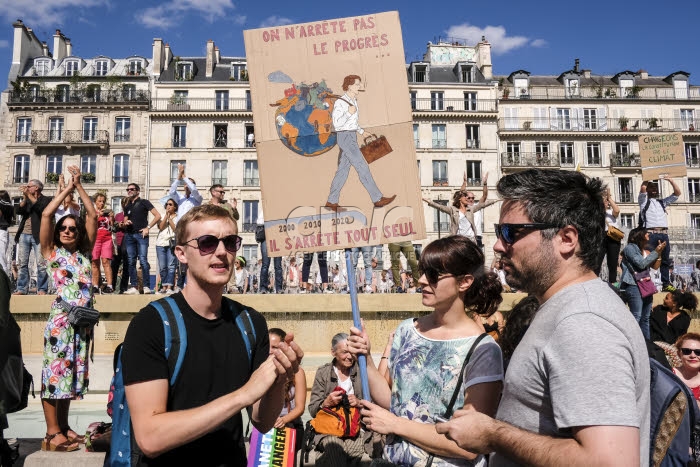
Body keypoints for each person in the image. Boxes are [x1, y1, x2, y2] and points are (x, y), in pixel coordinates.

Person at [436, 169, 651, 466]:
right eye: (499, 231)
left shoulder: (584, 322)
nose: (498, 245)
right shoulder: (567, 308)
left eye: (510, 232)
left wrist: (494, 435)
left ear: (566, 239)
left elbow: (611, 461)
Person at [121, 204, 303, 465]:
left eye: (230, 242)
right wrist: (242, 395)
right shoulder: (152, 323)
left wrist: (278, 380)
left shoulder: (250, 322)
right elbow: (150, 438)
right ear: (181, 253)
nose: (221, 252)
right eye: (207, 243)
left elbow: (262, 422)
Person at [348, 235, 503, 466]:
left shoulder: (483, 350)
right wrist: (366, 358)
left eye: (433, 275)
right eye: (421, 271)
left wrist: (394, 424)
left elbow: (472, 445)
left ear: (464, 282)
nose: (421, 280)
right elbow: (395, 402)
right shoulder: (407, 330)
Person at [39, 166, 97, 452]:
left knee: (69, 377)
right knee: (54, 376)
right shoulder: (51, 253)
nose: (68, 231)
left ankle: (62, 426)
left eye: (72, 228)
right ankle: (51, 434)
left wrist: (79, 185)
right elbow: (47, 215)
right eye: (64, 227)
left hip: (81, 325)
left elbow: (95, 216)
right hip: (61, 323)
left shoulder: (84, 254)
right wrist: (66, 191)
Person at [325, 75, 395, 210]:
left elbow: (352, 124)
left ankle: (331, 201)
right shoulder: (341, 102)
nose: (359, 86)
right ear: (349, 86)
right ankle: (377, 198)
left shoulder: (353, 100)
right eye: (357, 84)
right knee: (362, 167)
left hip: (350, 136)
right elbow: (337, 124)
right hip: (345, 137)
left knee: (342, 171)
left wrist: (362, 132)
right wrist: (348, 113)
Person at [308, 332, 367, 466]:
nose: (349, 357)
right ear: (333, 352)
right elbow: (312, 410)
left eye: (351, 352)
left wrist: (358, 403)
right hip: (329, 429)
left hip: (355, 429)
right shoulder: (323, 373)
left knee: (354, 450)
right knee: (334, 448)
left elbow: (373, 404)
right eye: (344, 352)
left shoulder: (361, 371)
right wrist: (325, 402)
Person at [422, 173, 495, 243]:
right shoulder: (454, 209)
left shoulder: (474, 207)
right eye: (468, 197)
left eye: (473, 198)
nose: (470, 199)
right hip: (460, 238)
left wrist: (485, 184)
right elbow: (441, 206)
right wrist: (464, 182)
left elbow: (484, 199)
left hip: (475, 237)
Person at [621, 227, 666, 339]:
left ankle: (647, 344)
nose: (649, 236)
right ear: (639, 235)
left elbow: (654, 267)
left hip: (645, 284)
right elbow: (641, 264)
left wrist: (659, 253)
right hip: (633, 285)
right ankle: (631, 341)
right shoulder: (630, 248)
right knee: (637, 315)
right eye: (647, 234)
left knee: (645, 317)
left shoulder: (644, 249)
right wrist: (656, 252)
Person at [268, 328, 306, 453]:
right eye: (267, 346)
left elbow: (300, 408)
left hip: (290, 423)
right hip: (267, 424)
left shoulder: (298, 372)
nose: (269, 351)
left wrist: (283, 420)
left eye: (274, 347)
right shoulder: (261, 371)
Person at [639, 178, 680, 291]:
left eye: (655, 187)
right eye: (651, 187)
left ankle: (666, 284)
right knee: (647, 260)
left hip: (663, 234)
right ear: (647, 189)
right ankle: (644, 284)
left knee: (665, 261)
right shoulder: (643, 201)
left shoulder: (662, 202)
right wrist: (648, 176)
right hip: (650, 234)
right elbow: (642, 188)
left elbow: (677, 193)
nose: (654, 189)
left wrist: (671, 180)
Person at [121, 183, 161, 295]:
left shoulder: (144, 202)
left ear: (138, 191)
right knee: (131, 261)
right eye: (128, 189)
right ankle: (134, 287)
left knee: (143, 260)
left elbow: (158, 215)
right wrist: (125, 222)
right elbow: (124, 221)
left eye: (132, 189)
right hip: (129, 235)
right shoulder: (128, 205)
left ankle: (146, 286)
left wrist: (147, 228)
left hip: (141, 235)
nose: (129, 191)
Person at [14, 179, 52, 295]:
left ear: (36, 188)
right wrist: (25, 197)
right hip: (24, 234)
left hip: (39, 235)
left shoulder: (46, 199)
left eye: (29, 186)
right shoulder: (28, 199)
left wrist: (29, 196)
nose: (27, 187)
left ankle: (42, 289)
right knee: (22, 263)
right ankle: (21, 288)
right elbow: (18, 211)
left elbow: (41, 208)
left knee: (41, 264)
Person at [169, 164, 203, 291]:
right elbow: (171, 192)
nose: (187, 185)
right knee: (180, 257)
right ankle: (180, 284)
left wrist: (185, 176)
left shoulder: (197, 199)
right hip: (180, 231)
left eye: (189, 183)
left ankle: (189, 283)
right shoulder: (180, 199)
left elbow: (194, 190)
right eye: (185, 184)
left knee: (191, 256)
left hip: (192, 231)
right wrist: (179, 177)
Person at [596, 187, 622, 283]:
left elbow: (617, 210)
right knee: (597, 261)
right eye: (604, 202)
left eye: (607, 202)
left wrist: (609, 198)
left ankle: (612, 282)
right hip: (601, 236)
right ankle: (595, 281)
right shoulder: (597, 213)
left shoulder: (611, 213)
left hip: (613, 237)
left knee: (612, 262)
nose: (606, 203)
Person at [91, 193, 114, 294]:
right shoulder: (91, 212)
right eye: (99, 201)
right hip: (95, 239)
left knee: (106, 262)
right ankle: (95, 285)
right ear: (95, 202)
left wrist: (112, 218)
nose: (102, 203)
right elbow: (89, 224)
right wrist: (97, 216)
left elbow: (112, 227)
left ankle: (109, 286)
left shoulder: (107, 213)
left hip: (107, 238)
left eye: (103, 201)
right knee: (95, 262)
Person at [257, 207, 282, 294]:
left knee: (278, 266)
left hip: (277, 238)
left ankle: (279, 288)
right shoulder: (265, 208)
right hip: (266, 238)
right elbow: (259, 222)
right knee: (265, 265)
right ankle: (263, 288)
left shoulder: (281, 210)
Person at [155, 198, 178, 295]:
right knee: (162, 267)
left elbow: (176, 229)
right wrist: (166, 217)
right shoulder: (162, 216)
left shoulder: (178, 217)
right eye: (167, 204)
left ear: (175, 207)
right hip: (161, 243)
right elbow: (161, 227)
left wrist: (169, 219)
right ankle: (163, 286)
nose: (168, 206)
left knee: (171, 266)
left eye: (171, 204)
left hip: (171, 244)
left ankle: (169, 287)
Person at [673, 333, 700, 405]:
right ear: (679, 354)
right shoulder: (669, 376)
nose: (693, 355)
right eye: (686, 351)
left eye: (698, 352)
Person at [110, 198, 131, 294]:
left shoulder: (132, 215)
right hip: (117, 242)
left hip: (127, 242)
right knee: (114, 265)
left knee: (126, 265)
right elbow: (112, 228)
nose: (125, 205)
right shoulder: (118, 215)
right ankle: (113, 286)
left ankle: (124, 287)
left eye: (127, 203)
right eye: (124, 203)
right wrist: (118, 225)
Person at [0, 191, 14, 275]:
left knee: (1, 258)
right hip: (4, 231)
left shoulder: (3, 205)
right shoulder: (10, 206)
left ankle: (4, 280)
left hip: (1, 231)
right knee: (2, 257)